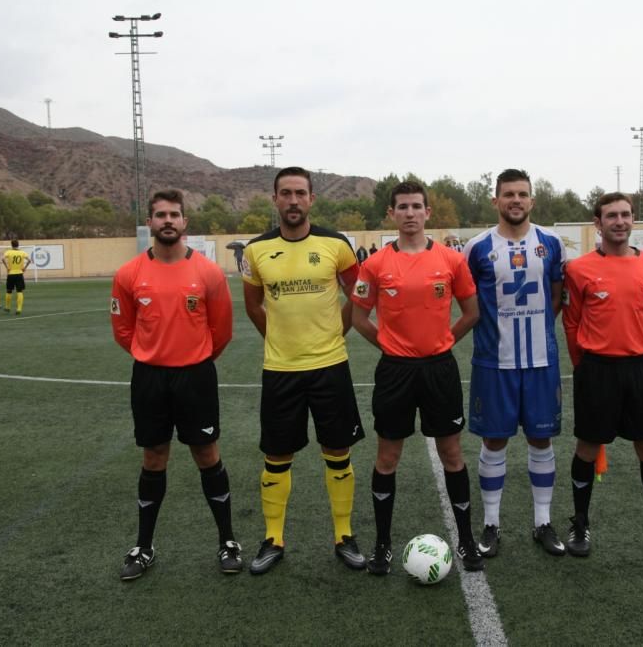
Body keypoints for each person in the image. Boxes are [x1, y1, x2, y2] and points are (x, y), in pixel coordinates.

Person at [351, 180, 484, 575]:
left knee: (452, 454)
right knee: (387, 457)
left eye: (416, 207)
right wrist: (391, 348)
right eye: (402, 207)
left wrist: (444, 342)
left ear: (428, 212)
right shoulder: (374, 265)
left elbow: (472, 312)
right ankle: (381, 545)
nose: (410, 213)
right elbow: (358, 317)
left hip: (440, 369)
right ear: (390, 214)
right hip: (395, 372)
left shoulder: (451, 260)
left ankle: (465, 540)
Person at [241, 166, 366, 575]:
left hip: (330, 365)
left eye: (300, 193)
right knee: (277, 454)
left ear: (312, 199)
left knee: (338, 451)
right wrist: (276, 338)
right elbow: (253, 304)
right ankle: (273, 538)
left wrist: (338, 331)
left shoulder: (337, 244)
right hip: (280, 369)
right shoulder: (256, 251)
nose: (293, 201)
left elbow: (359, 295)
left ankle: (343, 535)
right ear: (274, 199)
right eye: (285, 193)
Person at [110, 189, 240, 581]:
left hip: (196, 375)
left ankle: (228, 541)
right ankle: (144, 546)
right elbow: (123, 330)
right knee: (154, 457)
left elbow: (222, 331)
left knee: (207, 454)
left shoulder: (208, 272)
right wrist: (154, 355)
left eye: (175, 215)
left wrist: (194, 359)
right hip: (150, 377)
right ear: (150, 222)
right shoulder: (129, 274)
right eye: (160, 215)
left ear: (185, 223)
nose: (168, 220)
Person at [562, 192, 643, 559]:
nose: (620, 221)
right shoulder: (579, 269)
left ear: (633, 220)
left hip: (639, 368)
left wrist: (641, 346)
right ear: (597, 224)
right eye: (611, 216)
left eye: (625, 215)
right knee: (587, 447)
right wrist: (583, 366)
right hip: (596, 369)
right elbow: (572, 323)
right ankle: (580, 523)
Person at [463, 168, 567, 558]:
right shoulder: (476, 248)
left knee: (542, 438)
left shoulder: (552, 243)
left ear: (532, 200)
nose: (516, 201)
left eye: (522, 194)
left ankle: (543, 521)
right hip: (494, 362)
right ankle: (491, 524)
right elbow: (468, 300)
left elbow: (556, 296)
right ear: (496, 200)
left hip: (541, 360)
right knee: (495, 440)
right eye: (508, 194)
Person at [2, 239, 32, 315]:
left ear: (11, 245)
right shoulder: (22, 252)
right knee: (19, 291)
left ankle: (8, 307)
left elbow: (3, 259)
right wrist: (25, 268)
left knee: (9, 290)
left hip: (11, 274)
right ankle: (19, 308)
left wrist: (7, 267)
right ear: (18, 244)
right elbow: (29, 260)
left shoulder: (8, 252)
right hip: (19, 274)